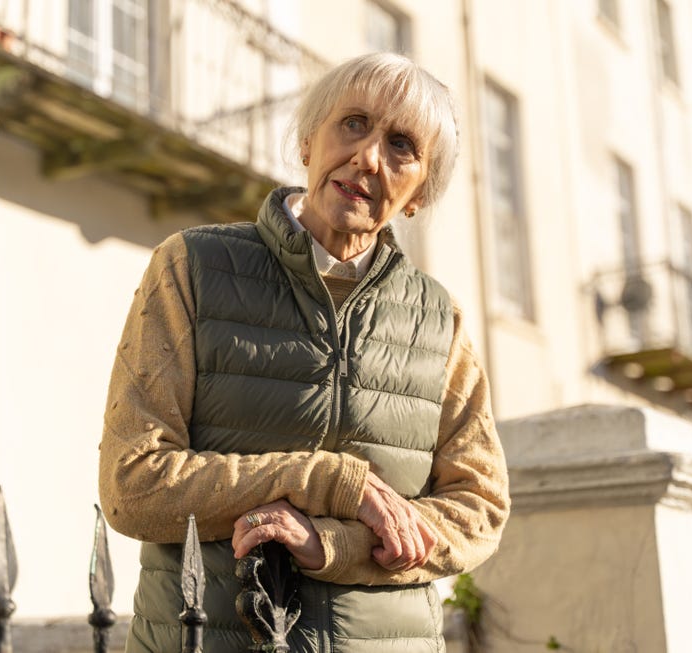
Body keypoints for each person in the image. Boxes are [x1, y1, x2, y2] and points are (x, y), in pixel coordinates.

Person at [98, 52, 510, 652]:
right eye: (353, 124)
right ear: (307, 142)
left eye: (402, 146)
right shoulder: (191, 268)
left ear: (419, 194)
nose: (369, 157)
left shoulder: (437, 317)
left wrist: (334, 545)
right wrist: (325, 482)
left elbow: (479, 508)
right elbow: (131, 483)